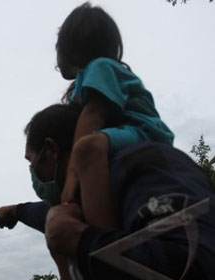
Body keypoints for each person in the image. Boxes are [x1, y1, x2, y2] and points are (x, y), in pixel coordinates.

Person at [0, 103, 215, 280]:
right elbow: (46, 215)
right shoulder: (81, 200)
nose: (33, 173)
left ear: (51, 151)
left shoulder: (145, 166)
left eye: (32, 163)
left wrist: (83, 240)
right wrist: (17, 211)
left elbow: (199, 272)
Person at [56, 2, 174, 232]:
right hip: (127, 134)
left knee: (86, 148)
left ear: (72, 45)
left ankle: (105, 239)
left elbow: (93, 115)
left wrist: (73, 172)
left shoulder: (100, 67)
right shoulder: (93, 75)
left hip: (144, 133)